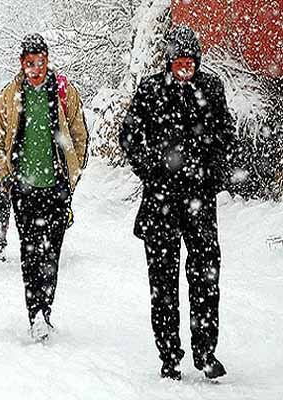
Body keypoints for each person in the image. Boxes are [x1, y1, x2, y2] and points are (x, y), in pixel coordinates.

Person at [119, 25, 234, 380]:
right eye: (179, 64)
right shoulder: (151, 90)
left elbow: (226, 136)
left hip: (200, 202)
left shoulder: (211, 88)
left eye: (190, 64)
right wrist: (152, 169)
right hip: (160, 204)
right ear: (169, 62)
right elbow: (129, 135)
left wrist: (213, 174)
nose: (185, 71)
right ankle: (169, 354)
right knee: (163, 285)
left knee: (205, 279)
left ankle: (206, 351)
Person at [0, 33, 89, 342]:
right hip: (23, 188)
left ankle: (46, 309)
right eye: (30, 63)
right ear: (22, 63)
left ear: (47, 60)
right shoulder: (10, 95)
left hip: (56, 187)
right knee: (31, 253)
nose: (36, 69)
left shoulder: (62, 92)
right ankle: (35, 314)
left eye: (41, 62)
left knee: (53, 253)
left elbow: (79, 132)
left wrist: (72, 174)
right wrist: (7, 175)